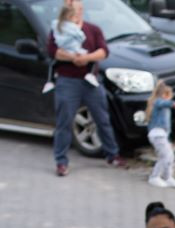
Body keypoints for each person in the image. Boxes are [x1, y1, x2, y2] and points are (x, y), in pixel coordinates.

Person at [47, 0, 126, 177]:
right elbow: (52, 51)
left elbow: (103, 51)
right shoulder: (59, 29)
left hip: (91, 81)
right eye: (73, 9)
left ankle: (112, 154)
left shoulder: (93, 29)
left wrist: (87, 58)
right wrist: (72, 58)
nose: (77, 12)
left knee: (102, 119)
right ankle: (61, 162)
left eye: (79, 9)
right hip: (67, 81)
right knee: (64, 122)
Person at [43, 0, 99, 95]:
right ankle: (90, 74)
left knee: (53, 65)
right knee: (92, 61)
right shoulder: (73, 28)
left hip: (66, 51)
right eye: (77, 11)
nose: (79, 13)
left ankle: (50, 81)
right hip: (73, 56)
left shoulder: (57, 25)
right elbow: (81, 37)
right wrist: (77, 57)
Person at [144, 82, 175, 190]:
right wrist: (173, 104)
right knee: (165, 156)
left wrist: (169, 140)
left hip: (163, 135)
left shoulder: (164, 108)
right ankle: (154, 176)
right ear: (165, 95)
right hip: (157, 134)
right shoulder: (158, 103)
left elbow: (167, 128)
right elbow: (162, 103)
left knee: (170, 156)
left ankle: (167, 177)